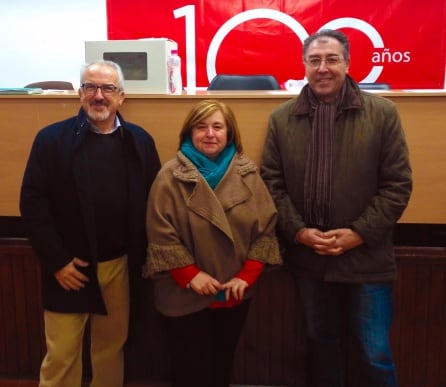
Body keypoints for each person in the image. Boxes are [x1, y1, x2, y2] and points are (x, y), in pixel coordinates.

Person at [260, 29, 412, 387]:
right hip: (310, 259)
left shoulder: (383, 113)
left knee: (374, 354)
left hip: (367, 260)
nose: (323, 68)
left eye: (331, 59)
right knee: (321, 348)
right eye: (315, 60)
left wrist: (359, 234)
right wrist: (298, 231)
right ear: (304, 66)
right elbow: (270, 184)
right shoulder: (282, 118)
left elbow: (398, 184)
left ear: (348, 63)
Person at [20, 60, 161, 387]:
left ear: (121, 97)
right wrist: (57, 262)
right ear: (80, 93)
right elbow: (32, 204)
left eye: (108, 88)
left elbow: (154, 201)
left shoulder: (140, 141)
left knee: (110, 350)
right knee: (62, 354)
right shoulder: (51, 140)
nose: (99, 95)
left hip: (120, 267)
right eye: (90, 87)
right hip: (70, 269)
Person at [144, 99, 281, 387]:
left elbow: (266, 230)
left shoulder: (249, 174)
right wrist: (190, 275)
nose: (210, 133)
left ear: (229, 133)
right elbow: (159, 233)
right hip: (182, 294)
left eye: (218, 127)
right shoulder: (169, 176)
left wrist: (246, 276)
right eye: (201, 127)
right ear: (189, 133)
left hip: (233, 292)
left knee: (222, 367)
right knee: (189, 373)